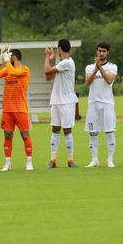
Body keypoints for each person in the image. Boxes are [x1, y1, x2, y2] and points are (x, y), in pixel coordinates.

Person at [0, 46, 33, 171]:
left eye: (9, 57)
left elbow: (14, 72)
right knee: (7, 135)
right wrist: (0, 62)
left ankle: (29, 161)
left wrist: (7, 61)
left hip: (20, 108)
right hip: (7, 109)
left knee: (25, 134)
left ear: (14, 57)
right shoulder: (7, 69)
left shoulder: (24, 69)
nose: (7, 59)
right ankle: (8, 163)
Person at [44, 39, 78, 168]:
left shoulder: (68, 63)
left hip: (67, 101)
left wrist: (47, 57)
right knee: (55, 128)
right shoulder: (61, 64)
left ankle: (70, 160)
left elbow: (47, 70)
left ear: (59, 49)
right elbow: (48, 77)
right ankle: (53, 160)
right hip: (56, 100)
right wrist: (50, 60)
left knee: (67, 130)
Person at [84, 41, 117, 168]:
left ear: (107, 52)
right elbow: (87, 82)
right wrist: (95, 69)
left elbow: (109, 80)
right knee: (92, 132)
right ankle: (94, 160)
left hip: (107, 103)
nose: (101, 53)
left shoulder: (113, 67)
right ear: (96, 51)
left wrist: (100, 68)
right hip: (93, 103)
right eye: (99, 51)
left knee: (109, 132)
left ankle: (110, 160)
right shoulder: (89, 67)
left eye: (104, 51)